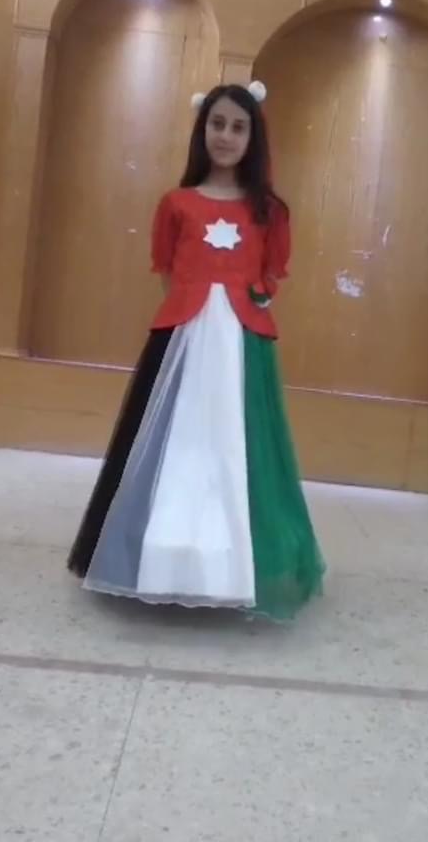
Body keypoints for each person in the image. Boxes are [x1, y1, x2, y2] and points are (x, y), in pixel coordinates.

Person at [67, 81, 325, 620]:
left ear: (253, 137)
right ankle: (159, 558)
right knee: (171, 446)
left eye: (238, 127)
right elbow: (168, 272)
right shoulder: (176, 204)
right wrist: (195, 314)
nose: (226, 136)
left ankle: (231, 565)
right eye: (217, 124)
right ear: (201, 129)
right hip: (182, 343)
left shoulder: (268, 211)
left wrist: (234, 313)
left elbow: (271, 276)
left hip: (240, 350)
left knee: (234, 447)